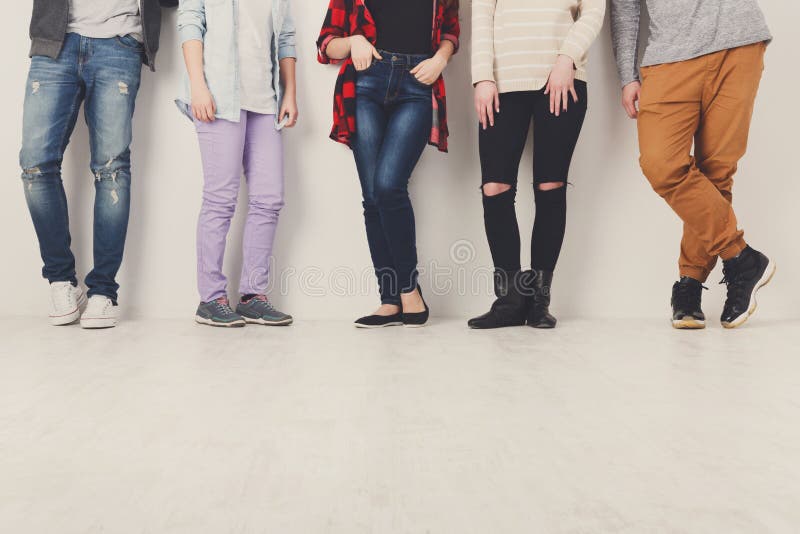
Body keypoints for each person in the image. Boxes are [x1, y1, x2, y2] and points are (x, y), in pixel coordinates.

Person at [611, 0, 775, 329]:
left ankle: (689, 285)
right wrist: (627, 76)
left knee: (717, 172)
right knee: (661, 164)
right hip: (668, 57)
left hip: (737, 42)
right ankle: (740, 257)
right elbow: (624, 7)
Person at [20, 0, 177, 329]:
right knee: (35, 164)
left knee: (112, 170)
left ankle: (103, 292)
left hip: (120, 43)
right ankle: (62, 281)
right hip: (56, 41)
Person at [317, 0, 460, 328]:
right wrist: (353, 41)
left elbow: (450, 30)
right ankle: (390, 299)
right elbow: (326, 43)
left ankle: (409, 289)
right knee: (372, 197)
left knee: (388, 186)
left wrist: (440, 58)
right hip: (366, 85)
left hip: (417, 84)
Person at [467, 0, 605, 330]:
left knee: (550, 186)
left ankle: (539, 300)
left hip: (562, 79)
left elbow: (594, 11)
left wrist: (566, 58)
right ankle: (510, 300)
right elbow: (482, 17)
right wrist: (482, 78)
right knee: (495, 187)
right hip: (502, 83)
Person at [177, 0, 298, 327]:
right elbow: (190, 23)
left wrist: (289, 93)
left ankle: (252, 297)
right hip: (219, 99)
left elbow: (285, 36)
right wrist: (197, 85)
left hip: (264, 101)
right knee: (220, 200)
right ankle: (211, 297)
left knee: (269, 200)